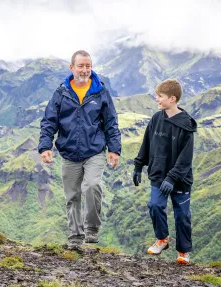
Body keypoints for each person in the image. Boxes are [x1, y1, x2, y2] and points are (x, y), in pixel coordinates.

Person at [38, 50, 121, 248]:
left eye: (88, 66)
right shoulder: (61, 93)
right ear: (72, 68)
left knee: (91, 186)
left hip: (94, 151)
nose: (84, 70)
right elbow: (49, 121)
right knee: (72, 195)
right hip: (68, 152)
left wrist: (114, 149)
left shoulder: (100, 91)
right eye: (81, 66)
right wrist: (45, 146)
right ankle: (75, 235)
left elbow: (111, 122)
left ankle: (91, 229)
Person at [133, 79, 197, 265]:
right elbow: (147, 144)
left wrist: (172, 177)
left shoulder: (186, 126)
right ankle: (162, 239)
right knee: (155, 205)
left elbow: (186, 159)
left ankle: (183, 252)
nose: (157, 99)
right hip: (158, 175)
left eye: (160, 96)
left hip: (180, 179)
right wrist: (138, 166)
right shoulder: (156, 118)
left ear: (172, 98)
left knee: (182, 215)